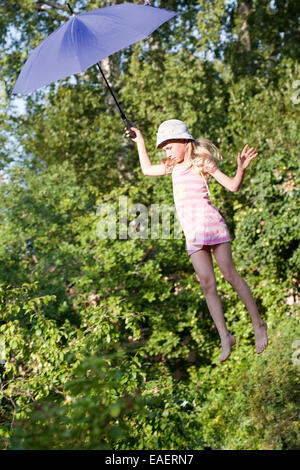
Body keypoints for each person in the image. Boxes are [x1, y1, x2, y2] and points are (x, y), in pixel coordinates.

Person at [125, 119, 268, 362]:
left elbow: (233, 186)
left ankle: (258, 324)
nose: (167, 151)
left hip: (212, 226)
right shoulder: (171, 167)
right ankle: (225, 336)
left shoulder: (201, 162)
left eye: (169, 146)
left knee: (230, 275)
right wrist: (139, 140)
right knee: (206, 284)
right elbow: (147, 169)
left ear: (183, 142)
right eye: (164, 149)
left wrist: (241, 169)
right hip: (192, 233)